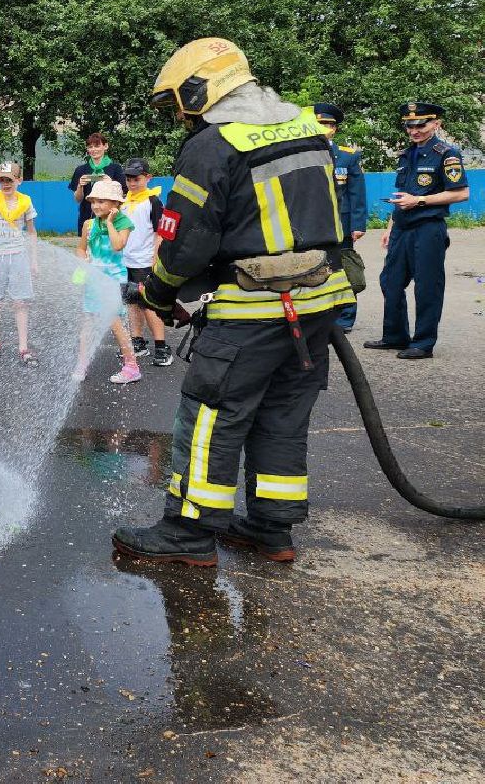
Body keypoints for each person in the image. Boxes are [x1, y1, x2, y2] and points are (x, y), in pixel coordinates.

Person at [116, 37, 354, 567]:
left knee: (211, 414)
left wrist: (158, 291)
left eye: (179, 101)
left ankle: (188, 531)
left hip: (251, 308)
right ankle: (272, 528)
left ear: (201, 89)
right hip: (316, 303)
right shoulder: (307, 128)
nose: (179, 115)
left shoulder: (213, 143)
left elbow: (186, 236)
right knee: (284, 413)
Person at [364, 102, 470, 360]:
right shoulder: (406, 154)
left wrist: (420, 201)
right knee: (390, 281)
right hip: (402, 228)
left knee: (427, 286)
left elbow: (461, 193)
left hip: (428, 228)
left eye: (421, 125)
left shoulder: (447, 154)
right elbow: (402, 194)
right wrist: (390, 227)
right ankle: (395, 336)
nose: (414, 130)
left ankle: (423, 343)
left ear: (436, 124)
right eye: (409, 125)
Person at [71, 179, 141, 385]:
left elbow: (118, 245)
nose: (96, 206)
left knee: (115, 323)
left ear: (115, 204)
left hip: (113, 281)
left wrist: (110, 223)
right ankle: (82, 364)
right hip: (94, 281)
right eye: (93, 201)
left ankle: (131, 366)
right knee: (87, 323)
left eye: (102, 201)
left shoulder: (124, 223)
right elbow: (81, 248)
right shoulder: (89, 224)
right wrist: (83, 264)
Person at [0, 162, 39, 366]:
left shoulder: (26, 202)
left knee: (21, 302)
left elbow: (31, 232)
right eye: (2, 180)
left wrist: (33, 260)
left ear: (18, 181)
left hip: (18, 255)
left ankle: (23, 347)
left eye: (9, 180)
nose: (5, 184)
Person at [313, 104, 367, 332]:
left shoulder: (347, 156)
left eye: (330, 125)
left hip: (342, 225)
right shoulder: (305, 155)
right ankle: (318, 315)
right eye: (321, 124)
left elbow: (357, 193)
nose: (326, 129)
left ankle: (345, 319)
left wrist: (358, 224)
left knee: (345, 270)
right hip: (313, 225)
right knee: (315, 270)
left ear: (335, 129)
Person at [119, 158, 172, 366]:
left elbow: (161, 232)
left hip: (144, 262)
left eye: (137, 179)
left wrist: (155, 257)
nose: (132, 183)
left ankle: (161, 347)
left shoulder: (153, 201)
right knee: (132, 303)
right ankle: (138, 342)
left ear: (148, 178)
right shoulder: (123, 202)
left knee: (149, 304)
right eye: (129, 179)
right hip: (126, 261)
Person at [68, 133, 128, 232]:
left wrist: (111, 183)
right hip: (87, 216)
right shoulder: (81, 170)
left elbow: (123, 195)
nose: (93, 149)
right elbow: (78, 199)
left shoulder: (116, 168)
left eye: (97, 146)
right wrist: (80, 186)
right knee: (87, 246)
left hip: (111, 217)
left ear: (105, 146)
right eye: (90, 147)